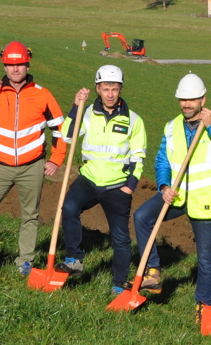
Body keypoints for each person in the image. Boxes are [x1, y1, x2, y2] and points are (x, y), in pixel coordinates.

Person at [131, 73, 211, 322]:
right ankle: (153, 271)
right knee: (142, 217)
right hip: (176, 196)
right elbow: (162, 160)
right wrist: (164, 185)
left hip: (205, 200)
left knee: (206, 258)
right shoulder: (171, 126)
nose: (187, 104)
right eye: (183, 100)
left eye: (192, 99)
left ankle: (204, 304)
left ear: (203, 99)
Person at [0, 41, 67, 275]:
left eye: (20, 64)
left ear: (27, 64)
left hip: (32, 166)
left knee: (30, 215)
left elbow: (60, 128)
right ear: (4, 66)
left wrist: (56, 159)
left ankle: (25, 261)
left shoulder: (42, 95)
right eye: (11, 65)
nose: (15, 69)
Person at [56, 65, 147, 295]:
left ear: (120, 89)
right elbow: (67, 135)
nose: (110, 94)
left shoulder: (134, 120)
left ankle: (119, 283)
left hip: (117, 185)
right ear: (97, 88)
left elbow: (138, 156)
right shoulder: (86, 113)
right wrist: (76, 106)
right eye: (105, 88)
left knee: (120, 238)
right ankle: (75, 258)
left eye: (114, 89)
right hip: (89, 178)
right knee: (68, 207)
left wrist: (131, 186)